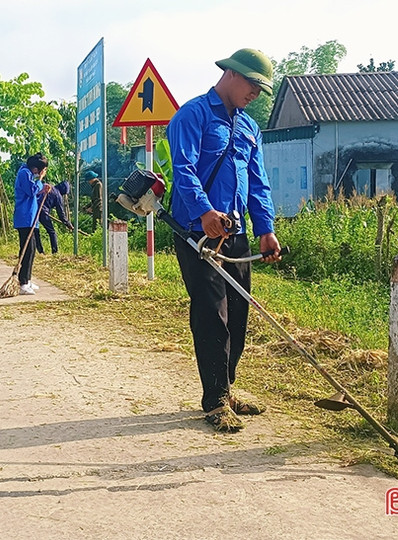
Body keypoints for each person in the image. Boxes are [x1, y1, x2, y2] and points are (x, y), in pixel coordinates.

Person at [167, 48, 281, 433]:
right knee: (212, 313)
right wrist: (204, 212)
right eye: (253, 85)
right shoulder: (192, 115)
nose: (256, 94)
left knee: (238, 313)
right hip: (198, 233)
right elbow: (182, 169)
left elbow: (258, 182)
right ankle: (214, 399)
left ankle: (227, 388)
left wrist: (266, 229)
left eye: (261, 89)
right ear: (232, 74)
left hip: (236, 235)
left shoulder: (250, 127)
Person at [13, 153, 50, 295]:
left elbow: (35, 192)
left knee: (32, 249)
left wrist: (42, 188)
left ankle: (27, 279)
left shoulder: (29, 174)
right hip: (25, 217)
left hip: (31, 216)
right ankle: (23, 282)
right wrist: (40, 180)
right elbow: (30, 191)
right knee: (27, 250)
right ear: (36, 168)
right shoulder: (24, 173)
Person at [34, 181, 73, 254]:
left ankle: (40, 251)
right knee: (52, 232)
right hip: (42, 211)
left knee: (35, 230)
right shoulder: (58, 196)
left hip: (34, 208)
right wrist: (68, 223)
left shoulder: (49, 187)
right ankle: (55, 252)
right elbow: (61, 213)